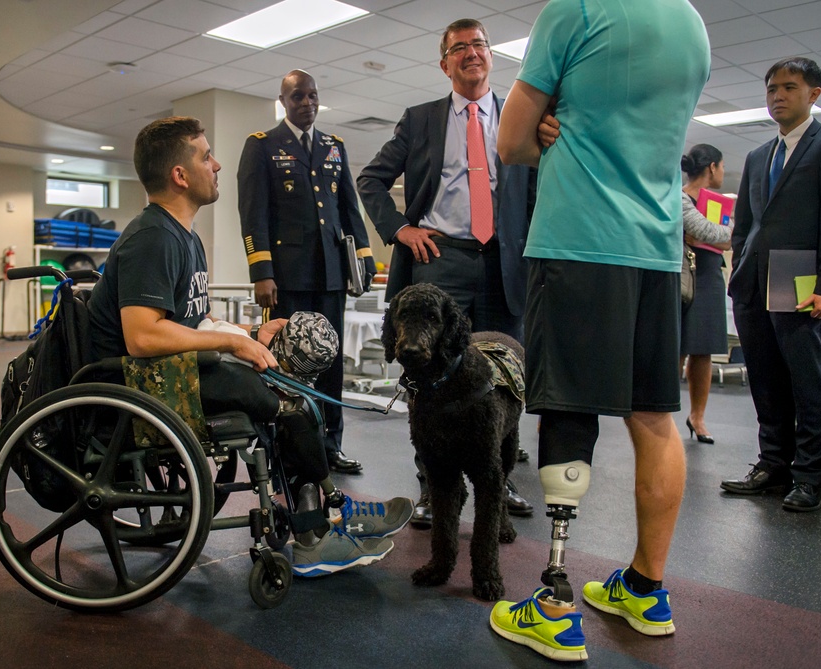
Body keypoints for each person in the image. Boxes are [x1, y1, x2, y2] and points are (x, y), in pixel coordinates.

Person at [87, 116, 412, 579]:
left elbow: (191, 320)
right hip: (139, 385)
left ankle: (330, 511)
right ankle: (314, 534)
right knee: (284, 401)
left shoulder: (184, 236)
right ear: (180, 175)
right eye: (205, 156)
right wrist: (230, 345)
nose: (216, 164)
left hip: (171, 373)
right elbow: (143, 335)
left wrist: (245, 334)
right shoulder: (152, 237)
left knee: (289, 391)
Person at [488, 0, 710, 661]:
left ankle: (554, 604)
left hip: (579, 240)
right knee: (654, 416)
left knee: (567, 404)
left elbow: (511, 141)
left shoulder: (578, 8)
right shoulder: (692, 24)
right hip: (657, 251)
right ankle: (645, 589)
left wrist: (553, 126)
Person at [357, 18, 535, 526]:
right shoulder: (421, 119)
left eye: (478, 44)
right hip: (442, 258)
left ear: (491, 55)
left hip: (505, 261)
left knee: (505, 376)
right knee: (429, 376)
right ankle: (433, 486)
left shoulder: (517, 116)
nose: (471, 53)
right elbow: (371, 179)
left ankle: (500, 485)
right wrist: (400, 229)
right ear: (445, 64)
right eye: (459, 48)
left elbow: (538, 190)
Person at [721, 57, 821, 512]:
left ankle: (810, 477)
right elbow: (745, 224)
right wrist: (740, 265)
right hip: (754, 282)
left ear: (813, 94)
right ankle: (773, 464)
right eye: (771, 89)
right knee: (764, 379)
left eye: (788, 87)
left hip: (801, 279)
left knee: (807, 381)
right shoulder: (760, 155)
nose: (777, 96)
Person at [238, 70, 377, 476]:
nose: (307, 103)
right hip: (285, 279)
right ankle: (285, 448)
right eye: (298, 96)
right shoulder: (263, 146)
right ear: (283, 101)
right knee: (284, 363)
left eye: (313, 95)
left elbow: (349, 207)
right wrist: (261, 271)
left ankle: (331, 445)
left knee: (331, 362)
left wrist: (364, 257)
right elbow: (253, 213)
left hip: (330, 275)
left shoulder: (334, 147)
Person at [680, 144, 733, 443]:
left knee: (704, 349)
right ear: (712, 167)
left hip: (711, 276)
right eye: (722, 166)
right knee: (676, 348)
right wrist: (711, 235)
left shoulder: (718, 203)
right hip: (683, 275)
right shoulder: (679, 196)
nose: (722, 172)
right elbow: (711, 233)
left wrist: (704, 235)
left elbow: (724, 238)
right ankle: (660, 415)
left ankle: (697, 417)